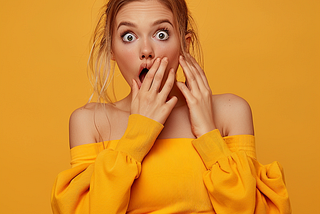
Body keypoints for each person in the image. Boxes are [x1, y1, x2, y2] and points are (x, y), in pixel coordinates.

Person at [51, 0, 291, 213]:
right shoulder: (90, 122)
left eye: (161, 34)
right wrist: (138, 134)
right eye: (129, 36)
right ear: (111, 49)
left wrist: (208, 135)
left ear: (184, 44)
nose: (146, 51)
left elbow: (250, 209)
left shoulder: (230, 112)